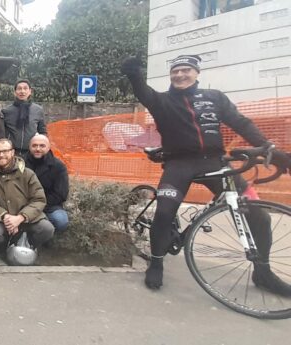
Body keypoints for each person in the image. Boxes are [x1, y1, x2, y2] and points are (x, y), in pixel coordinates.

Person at [122, 54, 291, 293]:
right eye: (175, 71)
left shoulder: (215, 98)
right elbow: (141, 90)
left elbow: (241, 123)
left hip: (216, 163)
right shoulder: (161, 101)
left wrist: (267, 145)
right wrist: (133, 73)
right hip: (178, 164)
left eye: (186, 70)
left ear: (197, 73)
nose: (180, 75)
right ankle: (157, 262)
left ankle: (263, 271)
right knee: (164, 212)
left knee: (260, 216)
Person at [0, 139, 55, 264]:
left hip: (27, 218)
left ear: (13, 152)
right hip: (2, 219)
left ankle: (30, 245)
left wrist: (20, 217)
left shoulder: (28, 173)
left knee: (47, 229)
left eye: (5, 151)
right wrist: (5, 216)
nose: (1, 155)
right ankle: (6, 247)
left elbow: (39, 199)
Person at [23, 134, 69, 233]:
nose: (38, 149)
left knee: (61, 220)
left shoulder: (59, 167)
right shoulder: (20, 164)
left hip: (49, 206)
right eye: (34, 145)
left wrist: (38, 206)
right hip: (24, 205)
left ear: (48, 147)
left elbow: (60, 194)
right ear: (29, 147)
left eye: (42, 146)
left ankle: (46, 236)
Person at [2, 79, 47, 156]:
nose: (22, 91)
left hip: (32, 153)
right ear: (15, 92)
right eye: (19, 89)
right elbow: (2, 132)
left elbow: (42, 131)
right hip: (12, 153)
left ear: (30, 91)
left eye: (25, 88)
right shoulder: (6, 111)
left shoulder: (38, 110)